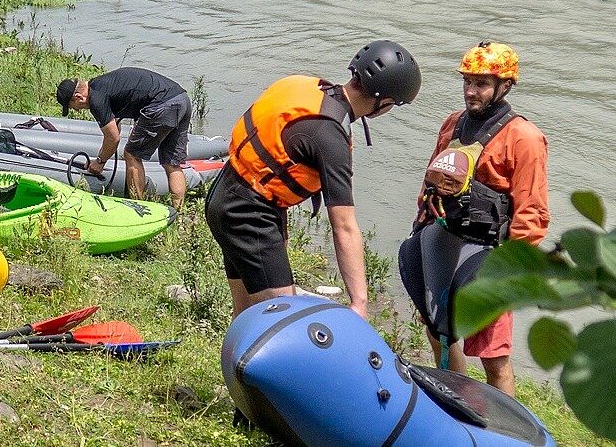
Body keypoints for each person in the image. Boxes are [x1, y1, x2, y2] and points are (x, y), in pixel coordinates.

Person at [205, 40, 422, 322]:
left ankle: (234, 364)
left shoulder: (303, 85)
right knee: (281, 321)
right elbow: (344, 226)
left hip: (224, 192)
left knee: (246, 315)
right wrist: (359, 302)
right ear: (385, 103)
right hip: (248, 215)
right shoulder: (330, 137)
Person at [398, 41, 549, 397]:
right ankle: (455, 400)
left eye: (481, 83)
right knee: (438, 329)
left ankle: (508, 431)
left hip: (490, 255)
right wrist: (420, 233)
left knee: (493, 357)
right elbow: (432, 181)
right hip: (446, 240)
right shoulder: (452, 124)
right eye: (467, 81)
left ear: (505, 86)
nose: (470, 91)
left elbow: (533, 212)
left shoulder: (524, 138)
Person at [55, 68, 193, 209]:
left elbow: (113, 139)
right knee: (172, 163)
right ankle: (178, 213)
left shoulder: (96, 98)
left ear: (79, 97)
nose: (77, 110)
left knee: (132, 155)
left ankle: (138, 209)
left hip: (162, 105)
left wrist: (100, 162)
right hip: (181, 99)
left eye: (73, 107)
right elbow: (119, 116)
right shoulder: (103, 84)